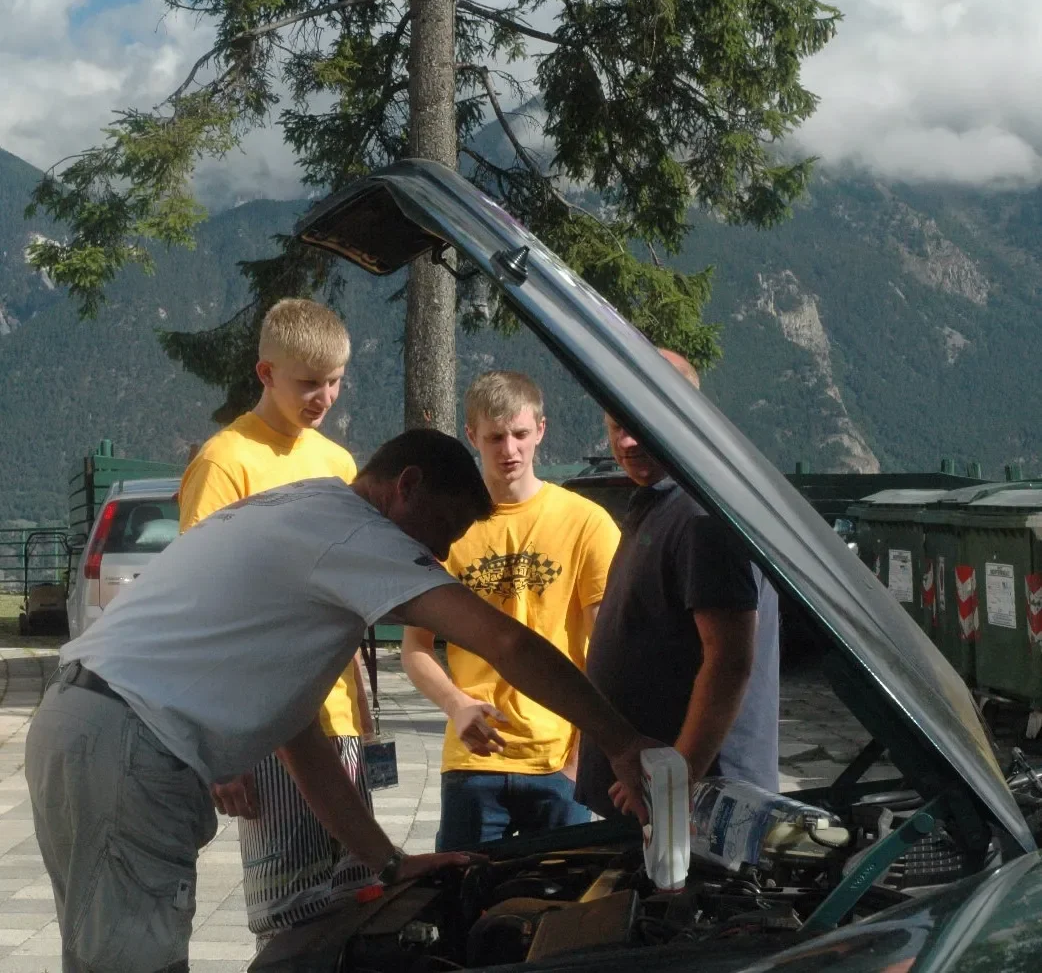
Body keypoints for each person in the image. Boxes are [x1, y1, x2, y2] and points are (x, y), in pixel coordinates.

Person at [27, 429, 656, 973]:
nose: (436, 557)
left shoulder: (306, 510)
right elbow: (505, 641)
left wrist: (387, 862)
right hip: (128, 743)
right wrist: (623, 742)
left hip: (91, 726)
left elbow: (296, 731)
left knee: (107, 948)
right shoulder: (354, 533)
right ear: (405, 486)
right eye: (442, 531)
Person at [177, 297, 379, 942]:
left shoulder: (339, 464)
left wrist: (367, 721)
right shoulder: (226, 461)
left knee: (358, 901)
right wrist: (220, 751)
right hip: (265, 732)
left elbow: (346, 606)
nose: (323, 396)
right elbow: (202, 608)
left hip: (339, 720)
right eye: (307, 382)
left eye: (334, 381)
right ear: (266, 374)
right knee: (290, 913)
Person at [402, 371, 621, 850]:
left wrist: (583, 754)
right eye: (496, 437)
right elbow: (415, 649)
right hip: (473, 761)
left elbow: (608, 646)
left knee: (558, 910)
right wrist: (456, 704)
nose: (510, 450)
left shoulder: (585, 523)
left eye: (520, 434)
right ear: (472, 436)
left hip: (558, 760)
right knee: (465, 907)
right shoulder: (449, 527)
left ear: (541, 430)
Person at [575, 349, 780, 819]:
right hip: (647, 793)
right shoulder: (660, 503)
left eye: (639, 424)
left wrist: (675, 776)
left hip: (694, 804)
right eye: (614, 425)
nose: (626, 442)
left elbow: (729, 660)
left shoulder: (702, 517)